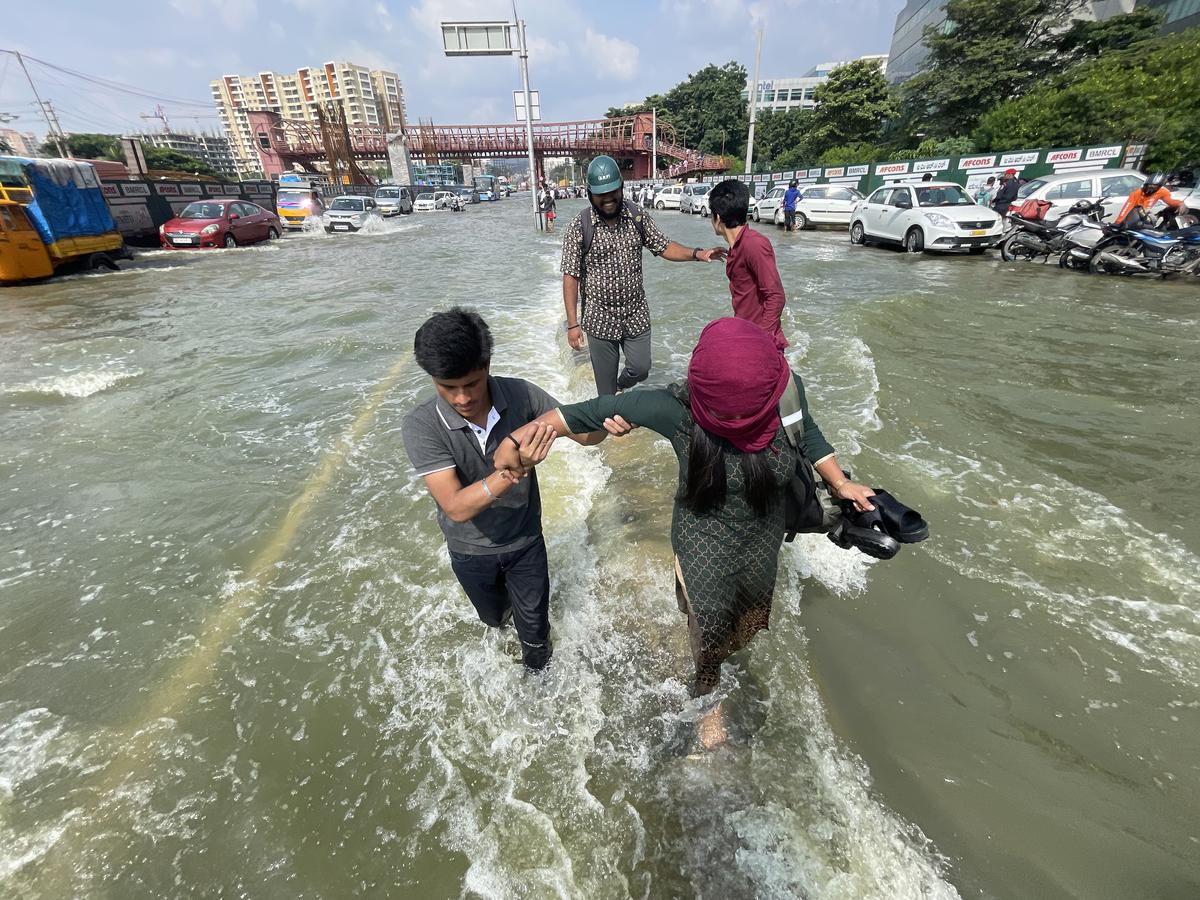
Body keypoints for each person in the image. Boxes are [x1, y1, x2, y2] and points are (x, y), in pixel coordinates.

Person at [496, 318, 875, 740]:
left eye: (748, 405)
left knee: (746, 623)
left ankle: (713, 664)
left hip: (761, 540)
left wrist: (841, 483)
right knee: (709, 628)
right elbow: (577, 416)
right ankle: (707, 702)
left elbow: (810, 437)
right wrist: (516, 443)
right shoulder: (675, 408)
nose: (739, 415)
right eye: (728, 408)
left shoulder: (783, 388)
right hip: (702, 543)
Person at [401, 308, 607, 671]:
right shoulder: (421, 425)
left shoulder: (522, 396)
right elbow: (456, 507)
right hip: (470, 551)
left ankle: (539, 688)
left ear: (488, 366)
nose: (462, 398)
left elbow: (588, 435)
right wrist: (512, 468)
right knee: (494, 618)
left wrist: (608, 416)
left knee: (535, 634)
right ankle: (504, 620)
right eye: (448, 387)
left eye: (472, 383)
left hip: (526, 542)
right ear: (432, 378)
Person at [561, 155, 724, 395]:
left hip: (635, 312)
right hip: (599, 317)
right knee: (605, 396)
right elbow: (570, 277)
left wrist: (697, 253)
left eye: (613, 192)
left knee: (641, 368)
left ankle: (621, 385)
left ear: (621, 188)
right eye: (601, 195)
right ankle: (612, 421)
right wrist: (573, 325)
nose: (608, 199)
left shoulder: (636, 216)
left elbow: (664, 246)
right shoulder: (580, 226)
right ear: (590, 194)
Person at [707, 179, 787, 350]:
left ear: (717, 218)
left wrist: (761, 340)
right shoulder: (739, 245)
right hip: (746, 332)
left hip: (761, 340)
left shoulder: (754, 244)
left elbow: (776, 296)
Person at [1114, 171, 1184, 227]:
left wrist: (1180, 203)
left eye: (1154, 187)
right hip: (1134, 217)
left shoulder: (1162, 192)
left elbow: (1170, 201)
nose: (1150, 189)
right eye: (1149, 186)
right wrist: (1118, 222)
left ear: (1159, 187)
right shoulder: (1137, 193)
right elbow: (1126, 208)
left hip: (1145, 216)